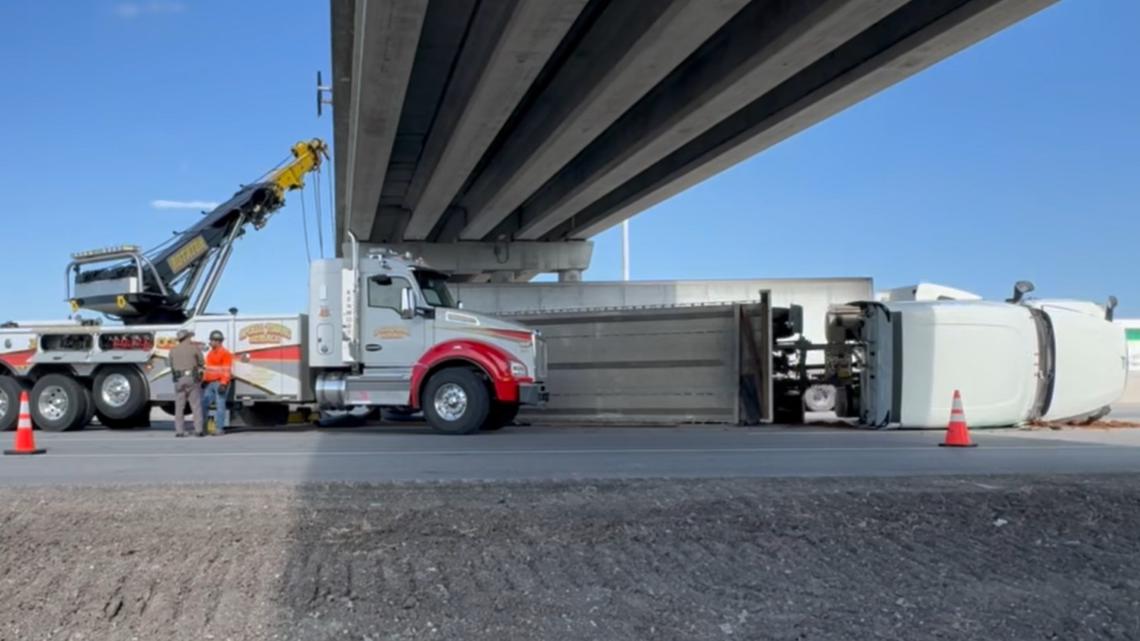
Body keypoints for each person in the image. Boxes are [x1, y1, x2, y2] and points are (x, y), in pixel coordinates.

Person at [169, 329, 205, 437]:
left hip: (179, 380)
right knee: (195, 405)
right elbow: (202, 362)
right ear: (187, 338)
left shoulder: (173, 350)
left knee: (179, 407)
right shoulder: (194, 348)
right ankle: (198, 430)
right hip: (192, 379)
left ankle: (179, 431)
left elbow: (171, 365)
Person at [201, 330, 234, 436]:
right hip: (210, 383)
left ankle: (219, 429)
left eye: (212, 340)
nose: (210, 342)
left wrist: (223, 383)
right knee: (204, 404)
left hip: (220, 383)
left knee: (220, 406)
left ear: (218, 341)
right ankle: (203, 428)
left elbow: (226, 370)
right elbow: (208, 369)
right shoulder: (210, 353)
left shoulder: (225, 353)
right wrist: (204, 380)